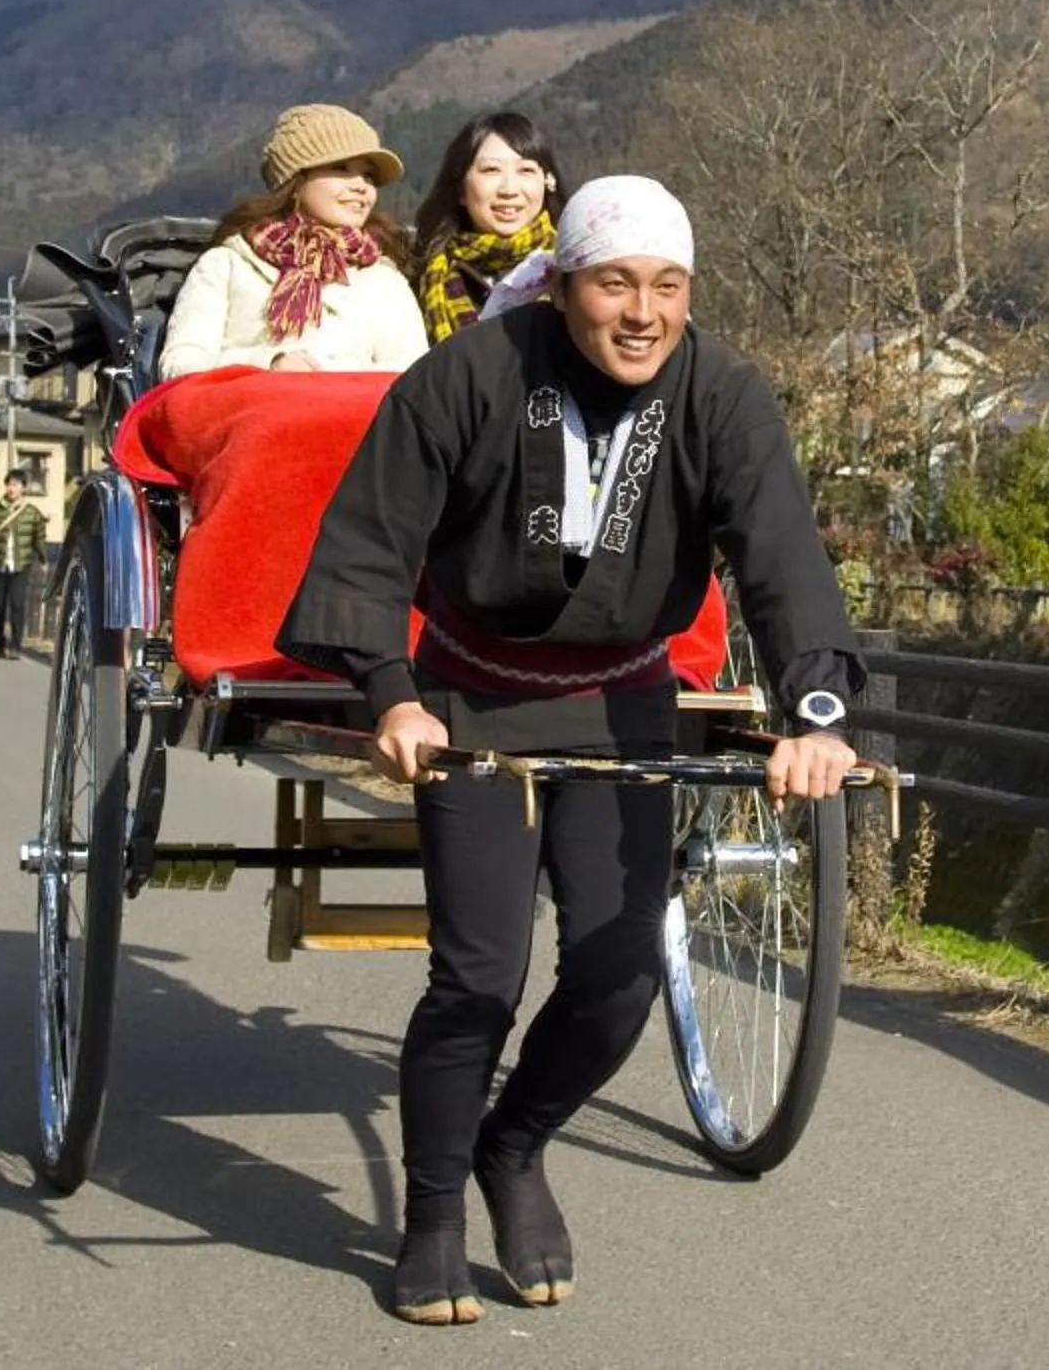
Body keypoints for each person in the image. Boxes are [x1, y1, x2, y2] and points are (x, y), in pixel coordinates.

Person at [278, 174, 862, 1326]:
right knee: (480, 975)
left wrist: (816, 715)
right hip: (472, 704)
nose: (641, 311)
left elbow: (782, 560)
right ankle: (433, 1209)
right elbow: (371, 540)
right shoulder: (474, 375)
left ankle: (516, 1146)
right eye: (614, 283)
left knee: (617, 974)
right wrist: (391, 696)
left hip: (621, 704)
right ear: (563, 288)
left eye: (668, 286)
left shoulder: (721, 392)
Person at [159, 104, 430, 381]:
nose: (361, 186)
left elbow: (414, 380)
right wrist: (268, 365)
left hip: (357, 419)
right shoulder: (227, 264)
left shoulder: (384, 279)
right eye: (341, 168)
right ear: (296, 181)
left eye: (368, 175)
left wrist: (335, 376)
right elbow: (180, 365)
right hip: (252, 415)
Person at [412, 111, 565, 343]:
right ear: (461, 189)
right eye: (491, 170)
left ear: (547, 182)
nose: (509, 189)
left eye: (525, 170)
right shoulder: (422, 272)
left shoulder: (573, 267)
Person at [0, 471, 48, 659]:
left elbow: (39, 539)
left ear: (23, 487)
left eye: (16, 485)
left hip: (21, 565)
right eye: (9, 485)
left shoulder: (32, 513)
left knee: (17, 604)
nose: (11, 488)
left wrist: (43, 560)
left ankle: (15, 646)